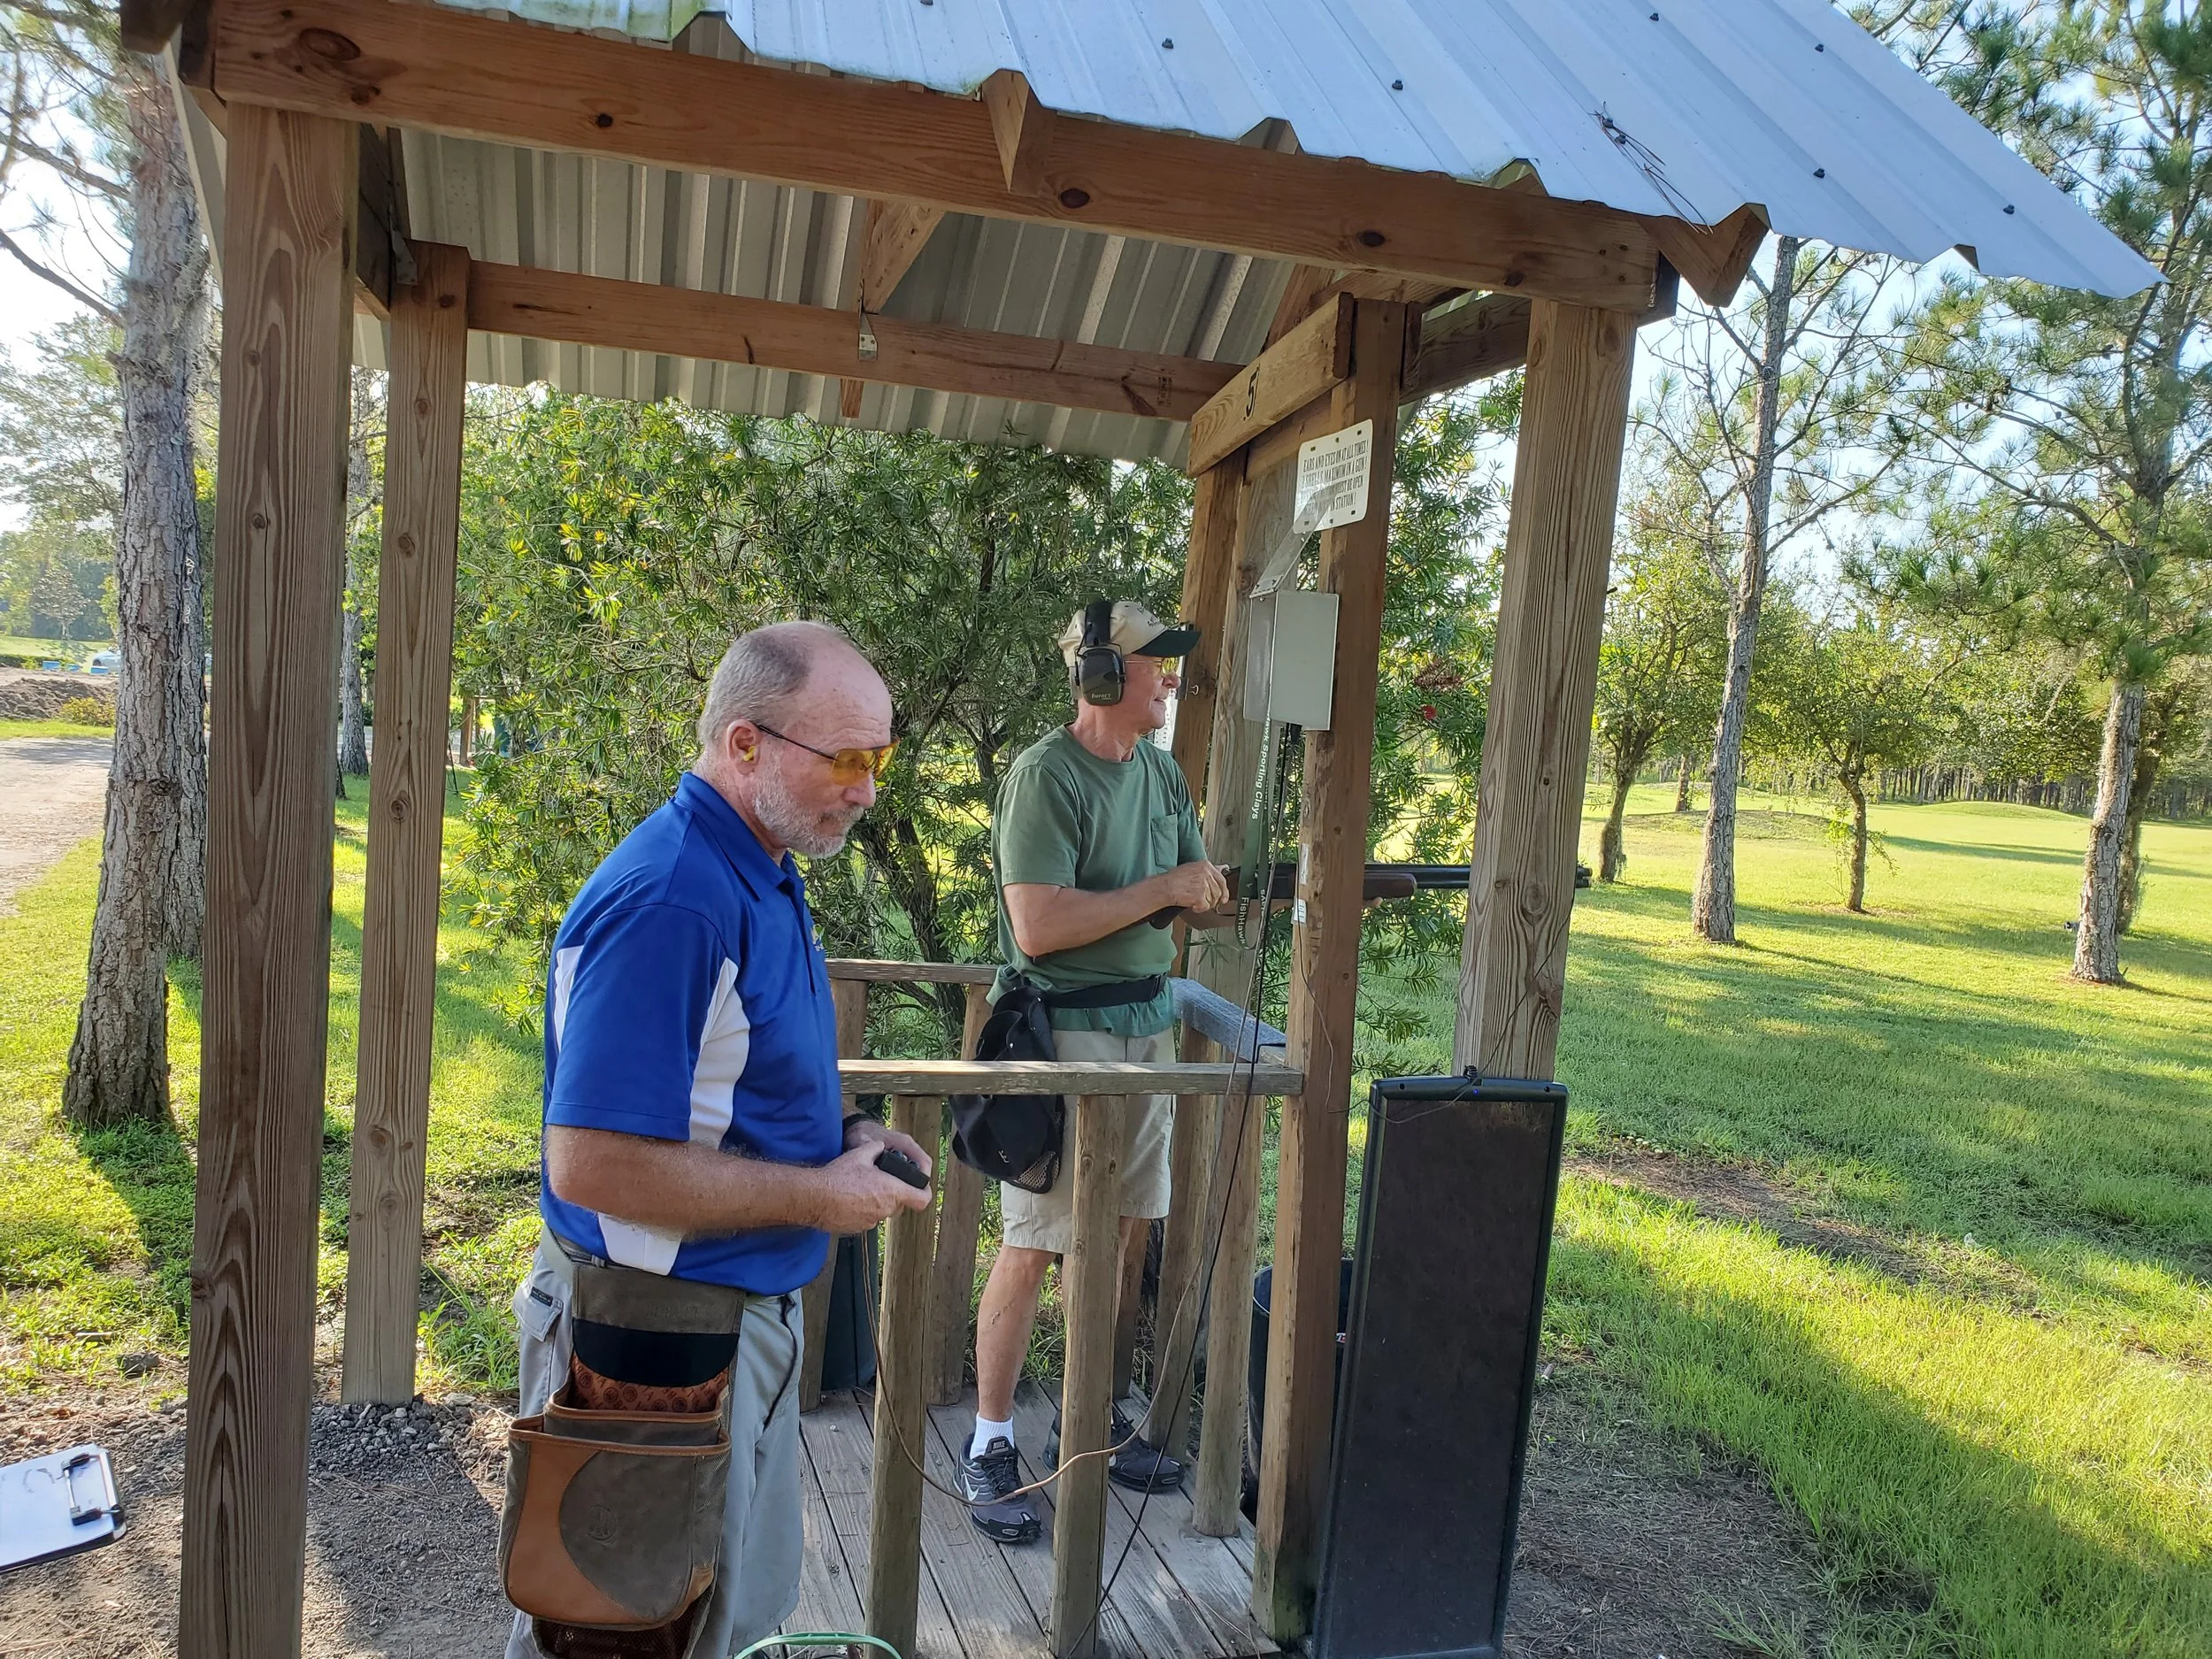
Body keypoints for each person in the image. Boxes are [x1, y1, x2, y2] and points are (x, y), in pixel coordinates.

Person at [504, 622, 933, 1659]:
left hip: (724, 1326)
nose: (868, 788)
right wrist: (815, 1197)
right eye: (845, 758)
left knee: (716, 1613)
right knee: (621, 1627)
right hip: (650, 1337)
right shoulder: (672, 899)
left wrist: (846, 1133)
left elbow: (732, 1086)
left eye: (879, 758)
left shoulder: (757, 866)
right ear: (745, 744)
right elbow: (591, 1163)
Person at [957, 599, 1232, 1545]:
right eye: (1157, 664)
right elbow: (1037, 926)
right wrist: (1163, 889)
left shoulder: (1162, 774)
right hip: (1062, 1041)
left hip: (1147, 1032)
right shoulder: (1044, 776)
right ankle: (990, 1442)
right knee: (1035, 1242)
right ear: (1103, 677)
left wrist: (1219, 887)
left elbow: (1192, 890)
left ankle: (1093, 1418)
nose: (1170, 680)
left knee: (1120, 1241)